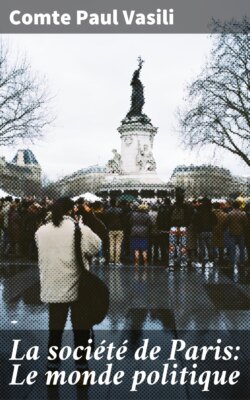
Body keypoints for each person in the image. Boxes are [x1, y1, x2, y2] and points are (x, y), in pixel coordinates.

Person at [35, 197, 101, 371]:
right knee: (81, 329)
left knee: (55, 329)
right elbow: (97, 247)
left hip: (53, 285)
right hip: (79, 287)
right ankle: (81, 366)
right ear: (73, 210)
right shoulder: (80, 230)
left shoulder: (41, 231)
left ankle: (53, 365)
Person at [129, 203, 152, 268]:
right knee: (144, 249)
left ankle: (136, 262)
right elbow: (150, 224)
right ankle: (145, 262)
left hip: (134, 232)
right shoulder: (147, 215)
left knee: (136, 249)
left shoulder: (133, 214)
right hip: (144, 233)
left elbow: (130, 222)